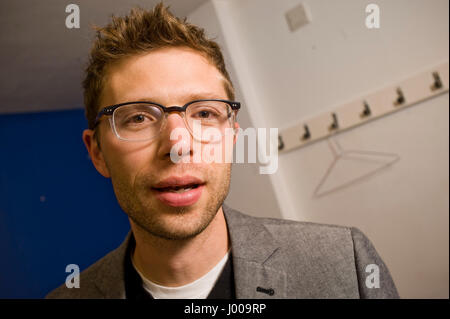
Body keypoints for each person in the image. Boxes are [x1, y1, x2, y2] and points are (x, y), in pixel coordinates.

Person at [46, 3, 399, 299]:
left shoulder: (344, 264)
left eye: (203, 113)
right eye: (138, 118)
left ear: (232, 134)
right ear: (97, 153)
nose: (178, 146)